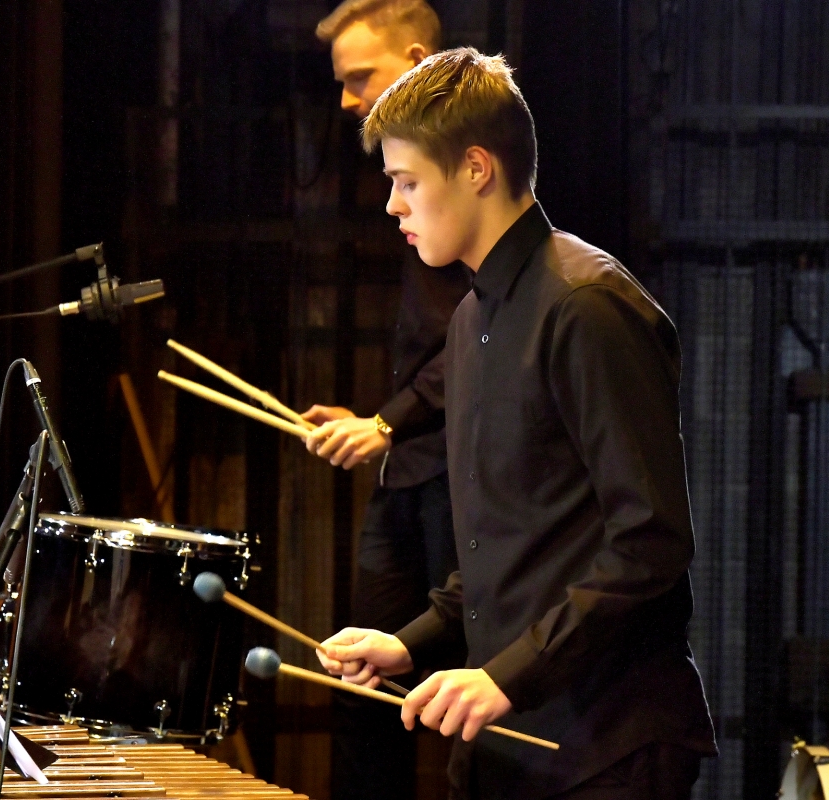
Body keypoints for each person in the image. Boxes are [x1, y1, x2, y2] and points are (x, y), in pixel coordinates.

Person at [317, 49, 717, 799]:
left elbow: (650, 542)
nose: (392, 205)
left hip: (608, 746)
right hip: (511, 752)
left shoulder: (586, 305)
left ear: (476, 168)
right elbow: (502, 550)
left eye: (407, 182)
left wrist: (508, 676)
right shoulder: (470, 320)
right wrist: (408, 643)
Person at [303, 3, 468, 799]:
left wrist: (386, 421)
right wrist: (375, 418)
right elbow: (444, 341)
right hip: (409, 472)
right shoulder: (422, 195)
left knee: (467, 687)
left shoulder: (463, 182)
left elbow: (481, 341)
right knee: (361, 680)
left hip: (461, 480)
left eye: (360, 77)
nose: (394, 205)